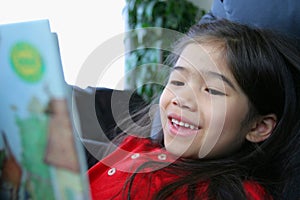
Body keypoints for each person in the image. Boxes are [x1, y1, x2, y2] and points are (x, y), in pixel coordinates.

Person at [88, 19, 300, 199]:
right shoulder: (134, 146)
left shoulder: (238, 194)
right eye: (178, 82)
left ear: (258, 126)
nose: (183, 99)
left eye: (212, 90)